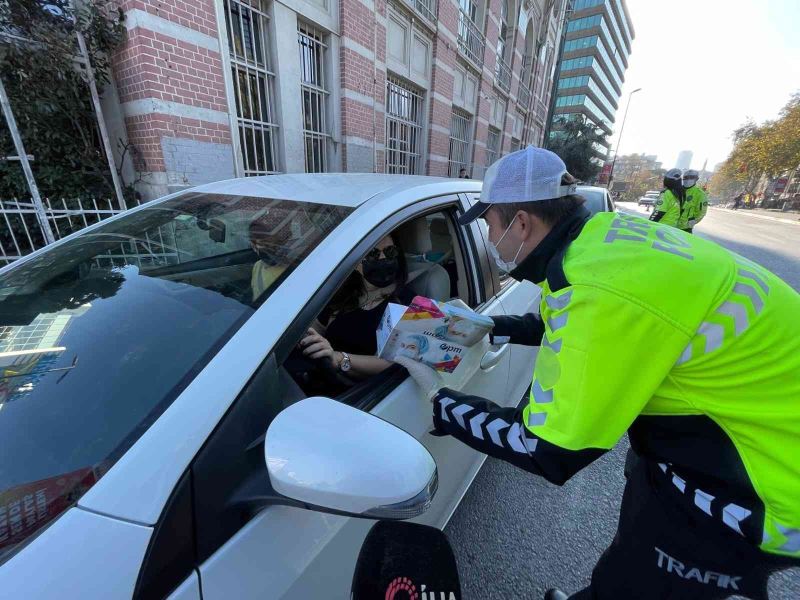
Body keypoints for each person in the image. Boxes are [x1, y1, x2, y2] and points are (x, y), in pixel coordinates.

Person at [397, 146, 800, 600]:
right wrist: (494, 325)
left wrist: (441, 402)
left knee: (641, 588)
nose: (490, 240)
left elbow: (549, 450)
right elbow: (572, 324)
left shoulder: (594, 287)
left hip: (764, 486)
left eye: (490, 225)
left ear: (522, 222)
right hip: (719, 433)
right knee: (634, 551)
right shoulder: (602, 240)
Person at [296, 234, 415, 394]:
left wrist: (339, 358)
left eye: (390, 251)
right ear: (355, 260)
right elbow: (315, 328)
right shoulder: (340, 292)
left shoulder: (407, 302)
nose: (382, 258)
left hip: (359, 395)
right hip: (316, 379)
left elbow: (388, 362)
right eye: (372, 254)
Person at [249, 219, 289, 302]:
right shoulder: (257, 266)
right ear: (253, 246)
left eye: (275, 243)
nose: (272, 248)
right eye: (264, 244)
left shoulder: (295, 270)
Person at [680, 168, 708, 233]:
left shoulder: (700, 194)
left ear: (696, 179)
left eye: (691, 177)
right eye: (686, 177)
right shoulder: (677, 190)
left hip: (685, 227)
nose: (688, 179)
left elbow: (702, 212)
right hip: (671, 224)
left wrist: (692, 222)